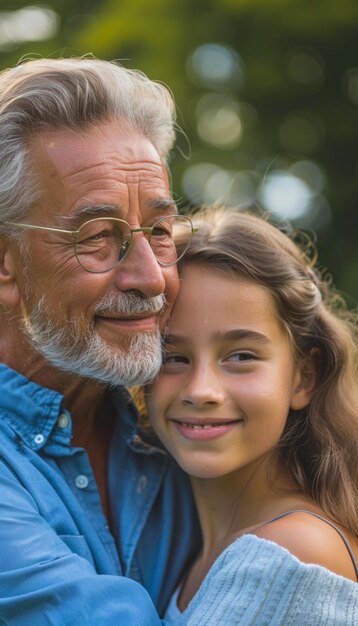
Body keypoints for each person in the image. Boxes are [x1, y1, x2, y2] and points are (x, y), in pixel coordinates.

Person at [0, 56, 201, 625]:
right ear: (5, 262)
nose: (151, 277)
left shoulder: (185, 415)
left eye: (159, 231)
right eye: (96, 238)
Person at [146, 207, 358, 624]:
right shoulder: (185, 543)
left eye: (241, 356)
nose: (201, 390)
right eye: (173, 357)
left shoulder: (293, 552)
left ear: (303, 378)